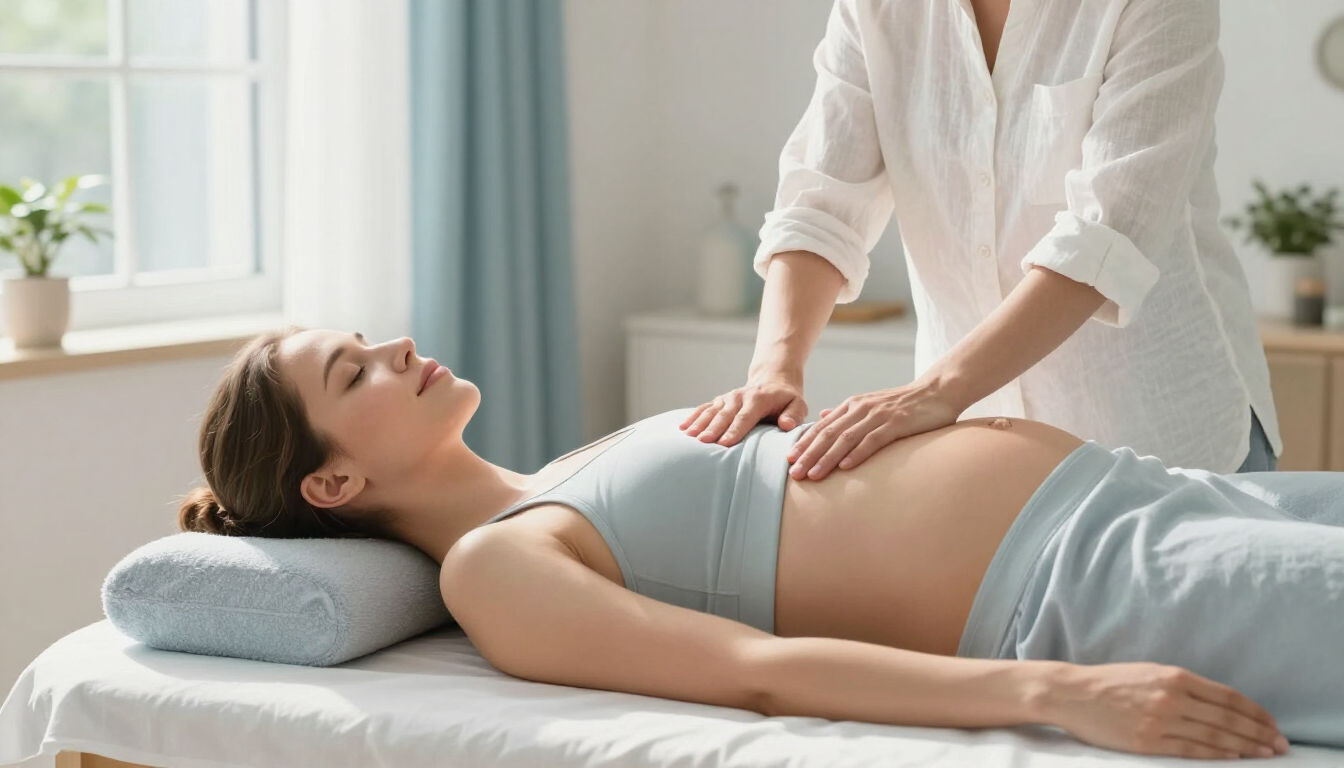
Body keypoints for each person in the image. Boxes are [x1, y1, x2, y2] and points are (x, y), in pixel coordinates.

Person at [181, 328, 1344, 759]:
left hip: (1152, 499)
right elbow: (756, 674)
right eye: (355, 372)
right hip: (1095, 586)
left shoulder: (556, 474)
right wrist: (1064, 692)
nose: (395, 346)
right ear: (332, 480)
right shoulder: (496, 567)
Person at [681, 0, 1281, 481]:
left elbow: (1108, 235)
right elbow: (821, 203)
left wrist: (934, 391)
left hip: (1164, 435)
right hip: (981, 452)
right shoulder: (875, 11)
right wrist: (774, 372)